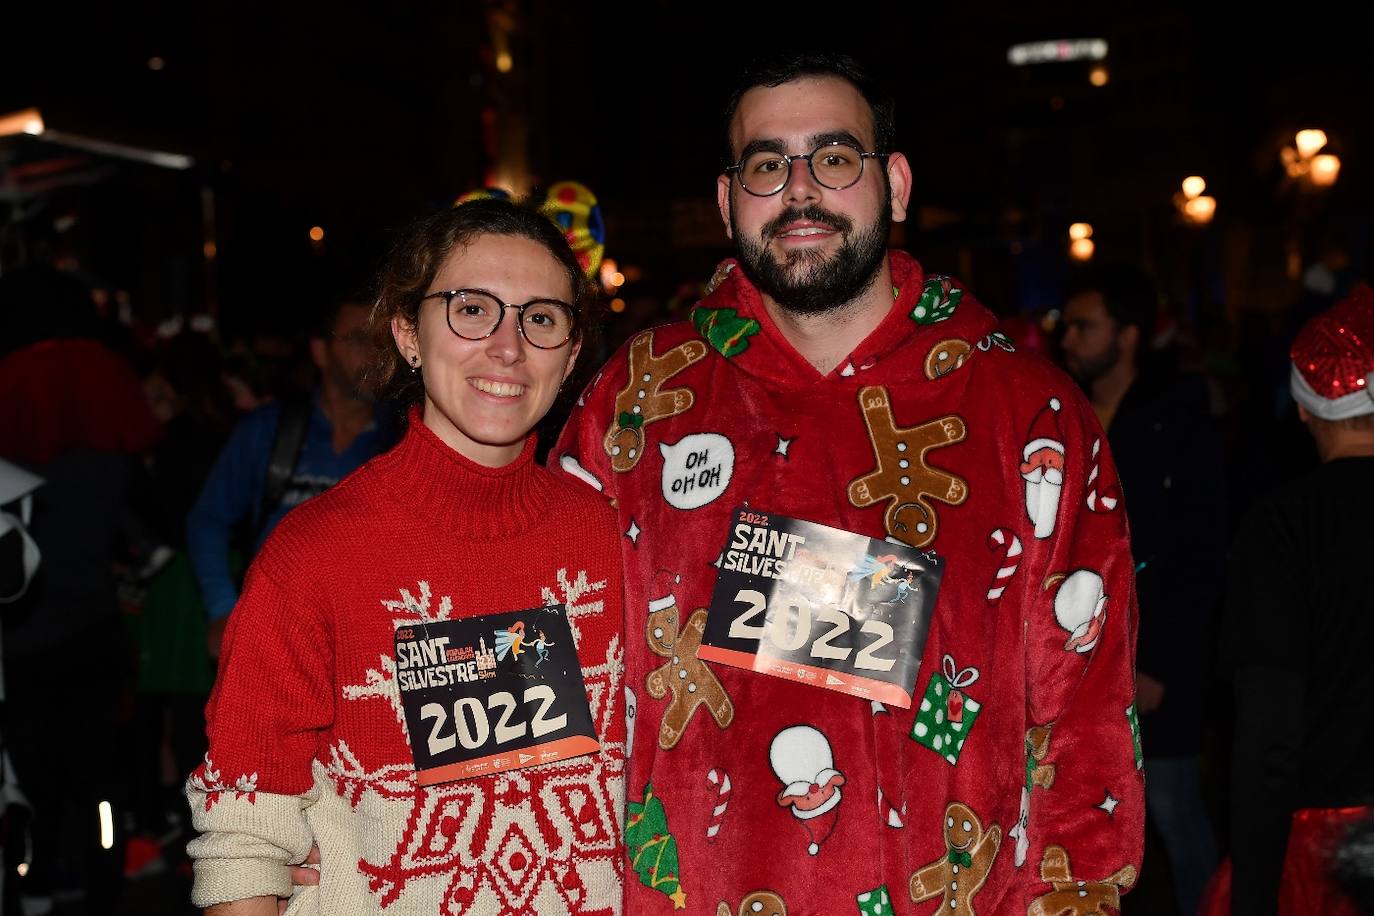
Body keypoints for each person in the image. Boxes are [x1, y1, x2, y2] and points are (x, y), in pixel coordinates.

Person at [551, 52, 1143, 914]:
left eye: (834, 158)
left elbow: (1086, 710)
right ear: (727, 203)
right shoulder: (635, 403)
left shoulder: (1028, 411)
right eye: (766, 164)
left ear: (894, 185)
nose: (799, 191)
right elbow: (558, 667)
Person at [185, 198, 626, 914]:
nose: (507, 347)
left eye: (540, 318)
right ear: (407, 333)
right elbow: (242, 839)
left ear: (572, 353)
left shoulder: (614, 541)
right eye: (471, 309)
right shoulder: (313, 556)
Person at [1058, 264, 1224, 914]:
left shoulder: (1176, 416)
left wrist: (1163, 663)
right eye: (1065, 325)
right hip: (1081, 642)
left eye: (1084, 325)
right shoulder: (1064, 406)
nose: (1068, 338)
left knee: (1175, 808)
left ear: (1127, 335)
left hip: (1155, 652)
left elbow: (1201, 549)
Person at [1205, 288, 1374, 916]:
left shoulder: (1281, 527)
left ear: (1304, 412)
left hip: (1329, 857)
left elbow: (1268, 731)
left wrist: (1256, 886)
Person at [186, 295, 396, 657]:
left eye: (384, 341)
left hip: (367, 639)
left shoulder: (401, 441)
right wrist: (223, 611)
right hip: (273, 635)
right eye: (360, 339)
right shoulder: (269, 431)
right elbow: (208, 519)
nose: (376, 354)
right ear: (320, 351)